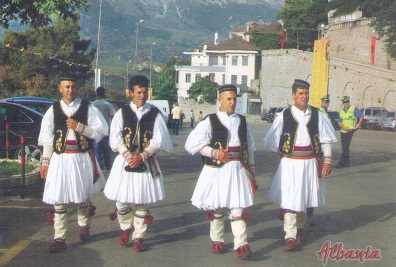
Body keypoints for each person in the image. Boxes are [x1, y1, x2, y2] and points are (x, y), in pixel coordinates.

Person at [185, 84, 257, 260]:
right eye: (229, 99)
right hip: (217, 169)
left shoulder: (242, 121)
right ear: (220, 100)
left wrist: (252, 172)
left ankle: (241, 244)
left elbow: (250, 148)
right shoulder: (210, 120)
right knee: (217, 207)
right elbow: (191, 144)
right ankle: (217, 240)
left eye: (235, 99)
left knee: (237, 207)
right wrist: (213, 152)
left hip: (237, 169)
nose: (232, 102)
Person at [263, 79, 337, 251]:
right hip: (290, 163)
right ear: (293, 95)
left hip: (310, 162)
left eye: (306, 93)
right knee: (290, 198)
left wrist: (327, 160)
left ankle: (300, 228)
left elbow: (326, 140)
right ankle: (289, 235)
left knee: (305, 198)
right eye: (300, 93)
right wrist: (283, 152)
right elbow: (270, 140)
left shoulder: (317, 115)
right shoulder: (284, 115)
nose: (304, 96)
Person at [104, 75, 173, 252]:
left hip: (146, 159)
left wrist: (143, 155)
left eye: (144, 92)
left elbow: (159, 139)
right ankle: (126, 228)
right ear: (130, 92)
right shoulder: (122, 112)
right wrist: (127, 155)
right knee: (122, 201)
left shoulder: (155, 114)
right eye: (138, 92)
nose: (142, 96)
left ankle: (138, 237)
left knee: (142, 202)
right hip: (125, 159)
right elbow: (115, 137)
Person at [38, 77, 108, 253]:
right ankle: (59, 237)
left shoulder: (87, 107)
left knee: (82, 196)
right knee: (59, 199)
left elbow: (101, 130)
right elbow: (47, 139)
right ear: (60, 89)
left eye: (74, 87)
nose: (71, 90)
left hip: (81, 156)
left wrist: (80, 127)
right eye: (67, 87)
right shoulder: (53, 109)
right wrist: (45, 162)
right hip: (60, 158)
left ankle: (84, 226)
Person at [92, 86, 117, 171]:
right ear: (104, 94)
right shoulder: (108, 104)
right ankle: (108, 167)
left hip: (96, 131)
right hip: (106, 130)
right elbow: (113, 117)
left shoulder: (92, 105)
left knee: (97, 150)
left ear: (96, 94)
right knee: (106, 150)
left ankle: (99, 168)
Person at [336, 96, 363, 168]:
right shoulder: (341, 111)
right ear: (343, 103)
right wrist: (343, 127)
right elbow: (339, 122)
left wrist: (358, 125)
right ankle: (343, 162)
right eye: (345, 102)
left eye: (347, 102)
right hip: (343, 130)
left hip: (350, 130)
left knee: (345, 146)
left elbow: (361, 116)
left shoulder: (353, 109)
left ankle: (344, 163)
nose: (346, 104)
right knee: (344, 146)